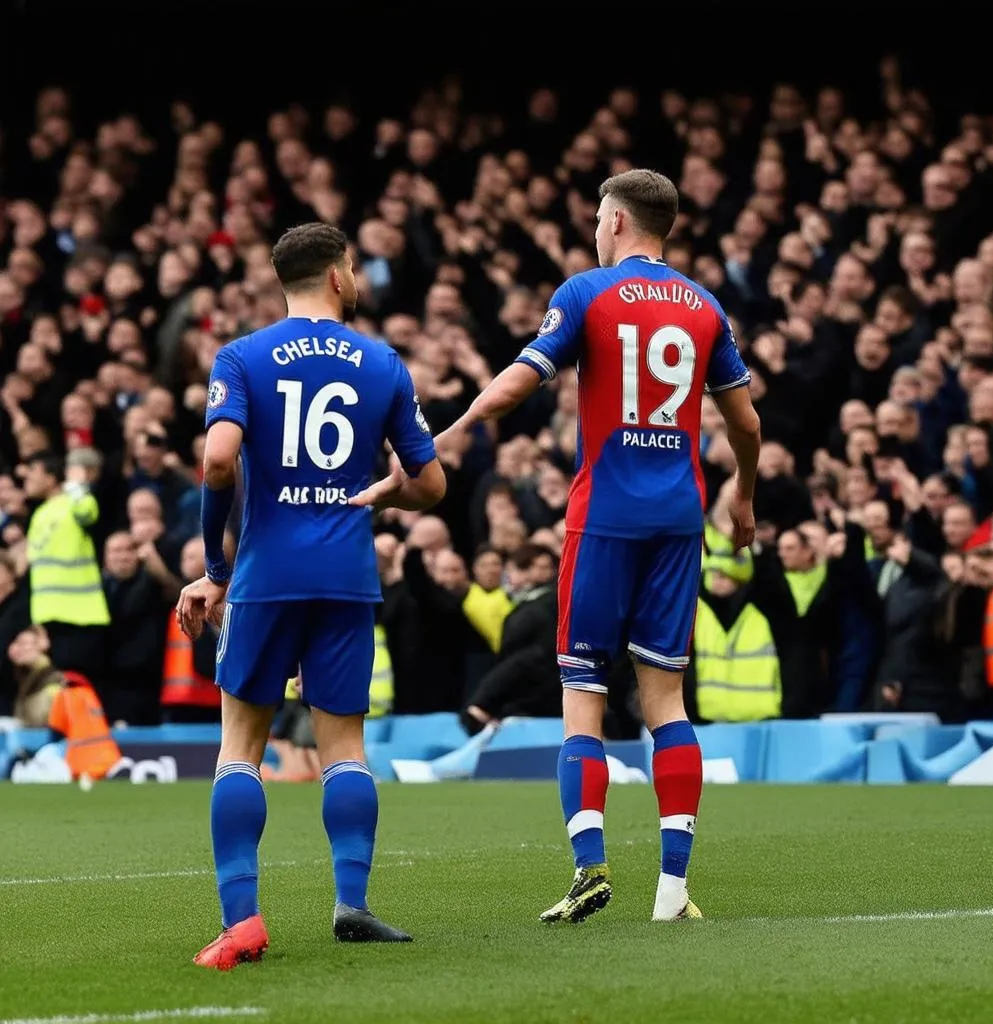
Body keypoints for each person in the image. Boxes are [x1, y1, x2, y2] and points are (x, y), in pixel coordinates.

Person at [429, 170, 761, 923]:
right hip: (680, 516)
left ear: (614, 221)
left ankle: (590, 867)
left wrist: (449, 431)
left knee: (584, 695)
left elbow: (520, 383)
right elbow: (746, 424)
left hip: (605, 514)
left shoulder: (586, 293)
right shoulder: (706, 307)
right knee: (666, 701)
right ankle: (673, 891)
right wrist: (743, 494)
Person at [176, 222, 446, 970]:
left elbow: (220, 458)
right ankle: (352, 903)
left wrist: (214, 569)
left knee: (241, 748)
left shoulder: (243, 357)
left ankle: (244, 923)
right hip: (345, 577)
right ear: (335, 275)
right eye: (354, 268)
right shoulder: (382, 362)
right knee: (345, 749)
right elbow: (430, 483)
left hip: (266, 578)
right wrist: (380, 497)